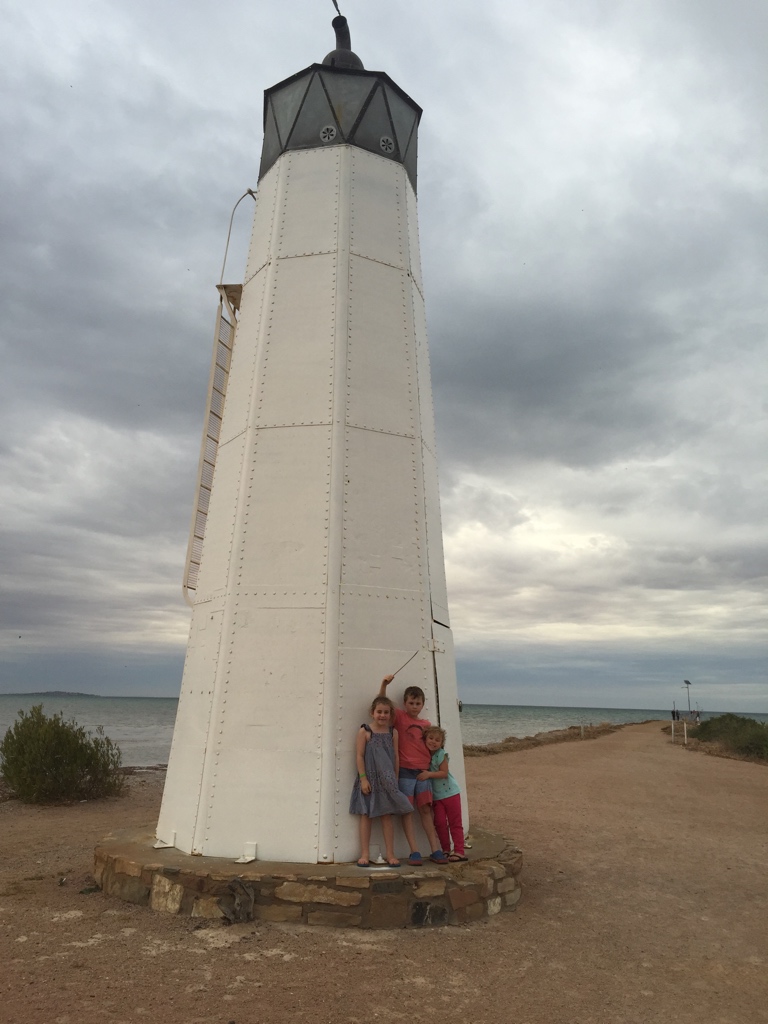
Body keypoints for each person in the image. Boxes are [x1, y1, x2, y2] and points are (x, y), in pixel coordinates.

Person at [378, 675, 449, 865]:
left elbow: (434, 746)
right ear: (405, 703)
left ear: (423, 704)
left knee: (425, 810)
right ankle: (414, 851)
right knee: (407, 811)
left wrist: (440, 765)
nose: (414, 706)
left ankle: (435, 849)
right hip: (405, 771)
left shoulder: (426, 725)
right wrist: (384, 685)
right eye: (411, 703)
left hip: (423, 772)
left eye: (418, 703)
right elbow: (383, 703)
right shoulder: (400, 717)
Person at [349, 695, 413, 867]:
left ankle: (390, 854)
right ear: (372, 712)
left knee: (387, 816)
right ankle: (364, 853)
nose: (382, 715)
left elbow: (396, 756)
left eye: (386, 712)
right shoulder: (365, 731)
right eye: (379, 712)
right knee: (366, 816)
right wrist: (363, 779)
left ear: (390, 714)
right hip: (370, 779)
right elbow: (359, 756)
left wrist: (395, 778)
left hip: (388, 779)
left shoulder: (393, 732)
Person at [419, 726, 467, 862]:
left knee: (455, 822)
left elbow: (444, 773)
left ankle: (459, 851)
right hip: (437, 796)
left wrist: (429, 774)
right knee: (439, 823)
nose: (433, 742)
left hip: (451, 793)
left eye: (437, 740)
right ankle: (445, 849)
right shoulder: (424, 754)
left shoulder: (441, 754)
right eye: (430, 738)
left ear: (441, 743)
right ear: (425, 739)